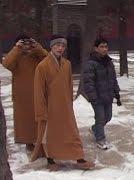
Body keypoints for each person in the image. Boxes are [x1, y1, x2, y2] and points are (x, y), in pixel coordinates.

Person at [31, 35, 95, 171]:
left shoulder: (67, 64)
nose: (60, 48)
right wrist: (41, 111)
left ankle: (80, 158)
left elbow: (69, 85)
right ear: (51, 46)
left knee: (72, 132)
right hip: (50, 107)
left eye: (63, 46)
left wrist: (69, 103)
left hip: (65, 106)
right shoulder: (42, 66)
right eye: (57, 45)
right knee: (49, 134)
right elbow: (38, 91)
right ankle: (50, 159)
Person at [2, 33, 47, 151]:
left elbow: (48, 59)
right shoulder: (16, 56)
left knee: (39, 117)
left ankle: (41, 140)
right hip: (21, 94)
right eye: (24, 43)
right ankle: (28, 141)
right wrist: (17, 48)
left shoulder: (36, 55)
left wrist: (37, 46)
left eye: (28, 43)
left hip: (38, 91)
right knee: (25, 120)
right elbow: (6, 64)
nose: (26, 45)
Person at [82, 38, 121, 150]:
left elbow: (113, 79)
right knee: (100, 118)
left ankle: (94, 129)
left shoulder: (109, 62)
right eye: (101, 47)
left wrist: (116, 93)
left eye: (106, 47)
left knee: (107, 117)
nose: (104, 49)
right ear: (96, 48)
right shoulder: (91, 63)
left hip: (108, 96)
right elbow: (88, 82)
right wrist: (93, 97)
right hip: (98, 97)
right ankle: (100, 139)